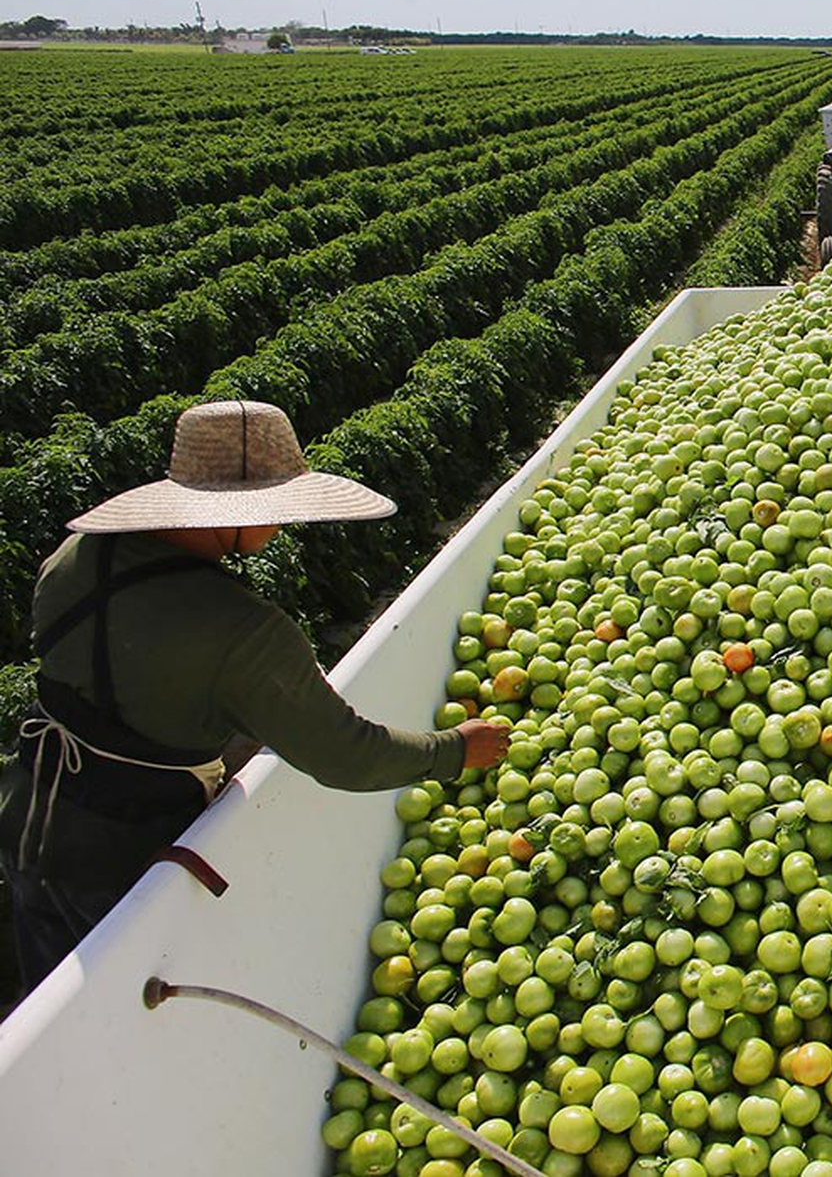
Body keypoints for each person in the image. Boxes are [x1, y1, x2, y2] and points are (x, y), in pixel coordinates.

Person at [0, 400, 510, 991]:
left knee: (55, 991)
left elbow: (117, 679)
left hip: (30, 809)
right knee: (132, 995)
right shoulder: (242, 631)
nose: (282, 526)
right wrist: (452, 749)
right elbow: (346, 754)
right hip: (125, 850)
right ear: (236, 512)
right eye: (278, 511)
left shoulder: (74, 559)